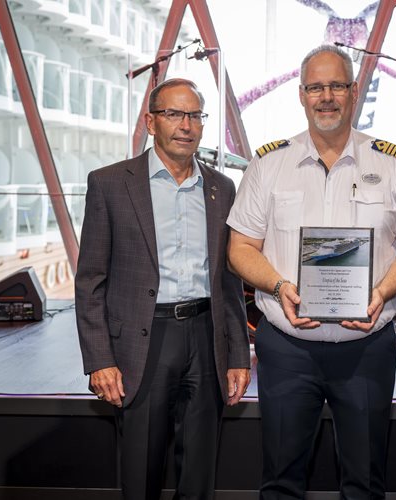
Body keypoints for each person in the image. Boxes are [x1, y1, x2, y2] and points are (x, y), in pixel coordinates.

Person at [226, 45, 396, 499]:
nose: (327, 96)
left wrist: (382, 290)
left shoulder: (393, 163)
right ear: (301, 95)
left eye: (337, 85)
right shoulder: (268, 164)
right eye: (316, 87)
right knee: (281, 479)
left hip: (366, 350)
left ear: (354, 91)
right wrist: (279, 284)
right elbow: (240, 249)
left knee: (364, 481)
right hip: (286, 350)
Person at [75, 78, 250, 500]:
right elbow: (90, 280)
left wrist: (239, 355)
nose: (185, 125)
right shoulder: (111, 183)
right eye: (174, 114)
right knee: (141, 470)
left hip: (206, 338)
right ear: (152, 121)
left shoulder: (220, 188)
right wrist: (100, 359)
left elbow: (229, 281)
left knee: (199, 472)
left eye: (194, 116)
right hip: (144, 339)